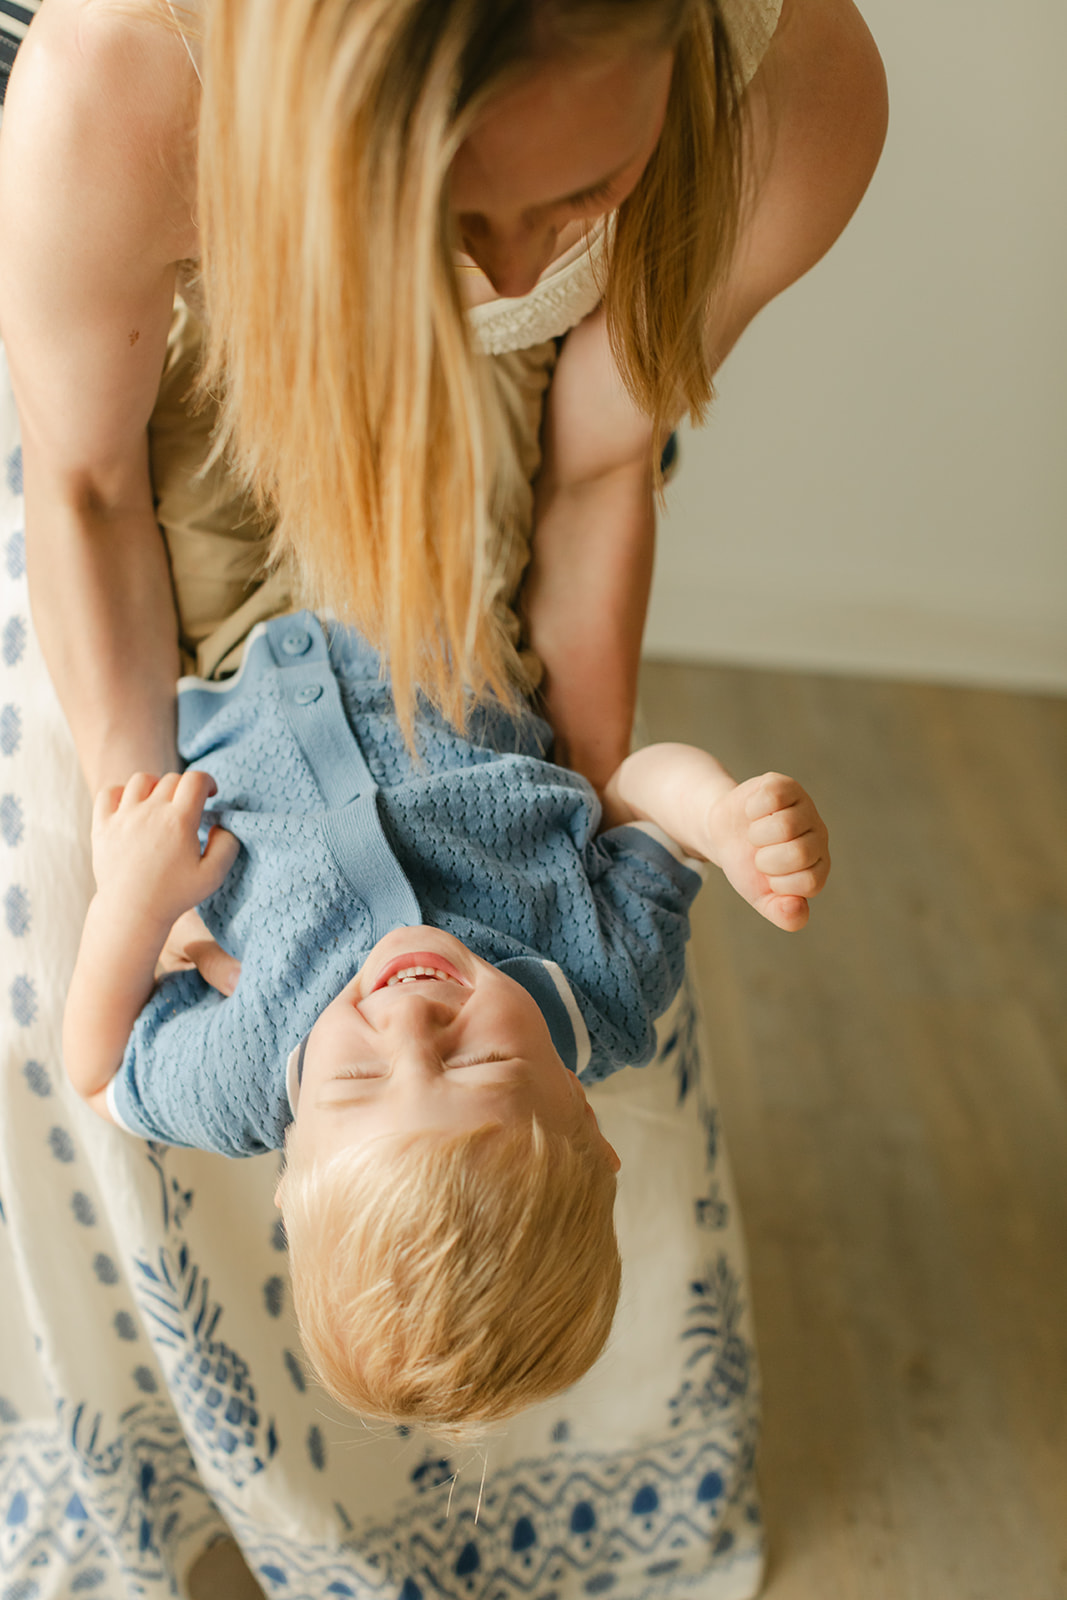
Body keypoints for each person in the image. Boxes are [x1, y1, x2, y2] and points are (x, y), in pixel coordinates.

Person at [62, 611, 830, 1436]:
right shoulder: (608, 980)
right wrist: (717, 820)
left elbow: (98, 1074)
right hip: (436, 613)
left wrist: (132, 903)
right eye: (477, 1063)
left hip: (223, 655)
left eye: (357, 1079)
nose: (408, 1023)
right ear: (582, 1116)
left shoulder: (246, 1078)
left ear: (292, 1168)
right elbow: (635, 795)